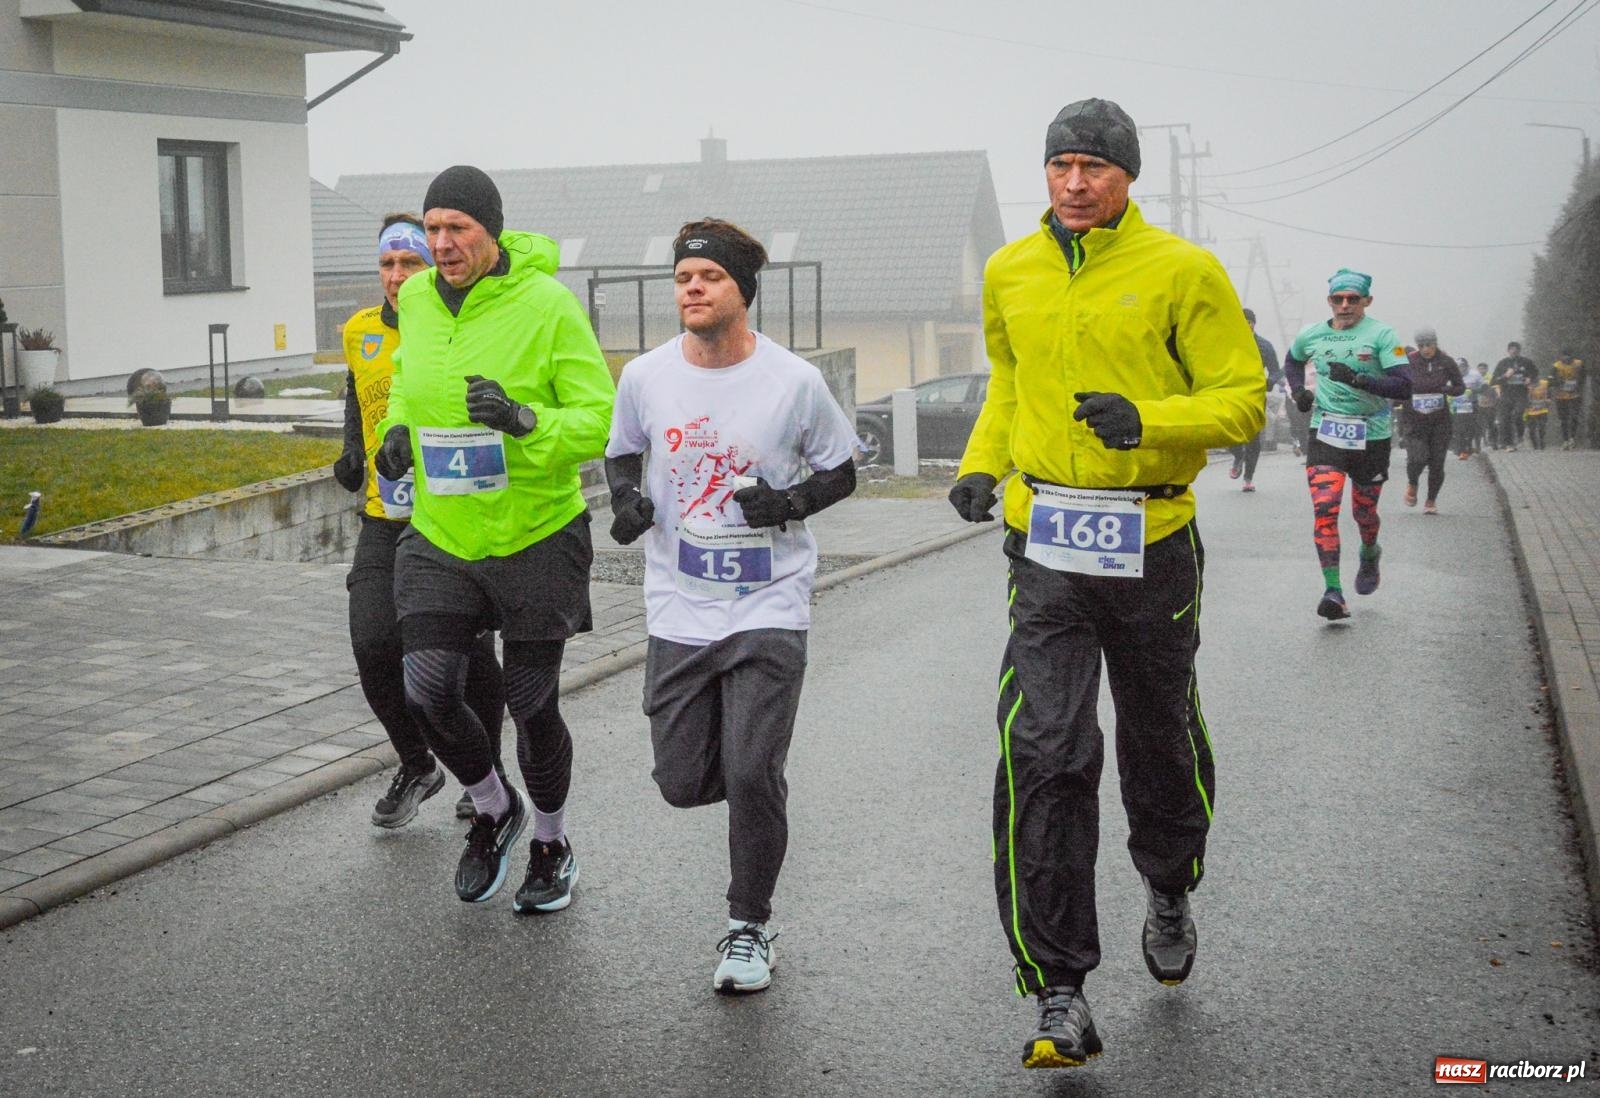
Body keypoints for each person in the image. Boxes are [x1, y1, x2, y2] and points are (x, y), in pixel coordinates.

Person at [946, 98, 1264, 1070]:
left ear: (1127, 177)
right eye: (1059, 165)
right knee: (1045, 747)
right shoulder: (1011, 270)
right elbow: (1008, 384)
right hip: (1043, 544)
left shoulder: (1182, 270)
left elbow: (1243, 403)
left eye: (1093, 166)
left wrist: (1151, 423)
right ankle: (1060, 990)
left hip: (1152, 541)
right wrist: (979, 463)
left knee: (1156, 734)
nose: (1074, 182)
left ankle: (1168, 880)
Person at [605, 218, 858, 994]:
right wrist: (626, 507)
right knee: (681, 780)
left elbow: (843, 471)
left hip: (769, 602)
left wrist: (788, 502)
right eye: (683, 278)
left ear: (742, 291)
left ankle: (749, 924)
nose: (691, 288)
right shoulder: (646, 376)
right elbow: (621, 454)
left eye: (708, 277)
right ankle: (749, 785)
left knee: (752, 771)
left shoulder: (794, 381)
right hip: (679, 603)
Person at [373, 165, 615, 909]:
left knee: (531, 702)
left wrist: (521, 420)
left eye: (458, 230)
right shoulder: (414, 297)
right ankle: (493, 807)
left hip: (536, 530)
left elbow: (600, 418)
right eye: (433, 229)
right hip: (444, 529)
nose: (441, 245)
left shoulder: (547, 304)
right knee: (428, 688)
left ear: (493, 232)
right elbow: (407, 391)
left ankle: (550, 841)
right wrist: (394, 436)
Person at [333, 214, 509, 829]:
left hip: (450, 514)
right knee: (373, 642)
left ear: (432, 264)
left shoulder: (454, 323)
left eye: (410, 263)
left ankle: (485, 772)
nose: (397, 276)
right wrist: (352, 451)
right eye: (387, 264)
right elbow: (358, 393)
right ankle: (417, 762)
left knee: (469, 655)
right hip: (385, 515)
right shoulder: (359, 330)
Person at [1284, 269, 1412, 621]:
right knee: (1325, 506)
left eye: (1352, 299)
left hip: (1372, 435)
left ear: (1366, 301)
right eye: (1337, 299)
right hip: (1326, 431)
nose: (1344, 305)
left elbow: (1404, 386)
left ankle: (1370, 552)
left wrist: (1360, 379)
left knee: (1363, 513)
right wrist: (1298, 392)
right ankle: (1333, 591)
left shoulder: (1383, 335)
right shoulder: (1311, 334)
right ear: (1329, 301)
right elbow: (1292, 361)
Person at [1399, 328, 1463, 515]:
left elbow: (1460, 387)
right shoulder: (1409, 361)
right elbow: (1397, 381)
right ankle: (1412, 482)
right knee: (1417, 458)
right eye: (1421, 346)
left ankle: (1431, 500)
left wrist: (1447, 390)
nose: (1426, 349)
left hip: (1440, 421)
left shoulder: (1446, 362)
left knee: (1437, 462)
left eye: (1429, 345)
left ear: (1436, 343)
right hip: (1414, 419)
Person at [1227, 307, 1282, 491]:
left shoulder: (1265, 346)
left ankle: (1248, 478)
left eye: (1248, 322)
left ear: (1253, 324)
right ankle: (1237, 456)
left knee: (1253, 438)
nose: (1245, 326)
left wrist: (1270, 381)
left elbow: (1276, 370)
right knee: (1229, 432)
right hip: (1232, 394)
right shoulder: (1229, 344)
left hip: (1256, 396)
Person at [1491, 342, 1538, 450]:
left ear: (1519, 351)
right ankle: (1508, 443)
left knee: (1518, 414)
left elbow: (1535, 373)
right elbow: (1493, 381)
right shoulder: (1502, 363)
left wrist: (1529, 378)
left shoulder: (1526, 362)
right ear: (1508, 351)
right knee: (1505, 419)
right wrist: (1505, 376)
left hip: (1520, 393)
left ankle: (1520, 435)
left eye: (1516, 349)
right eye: (1511, 349)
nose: (1514, 351)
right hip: (1506, 394)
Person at [1551, 348, 1585, 449]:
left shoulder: (1579, 364)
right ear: (1560, 356)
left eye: (1569, 355)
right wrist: (1559, 382)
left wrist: (1578, 384)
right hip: (1560, 396)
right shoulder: (1556, 366)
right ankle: (1565, 440)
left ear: (1572, 356)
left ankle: (1572, 438)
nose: (1567, 357)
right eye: (1564, 355)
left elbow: (1584, 376)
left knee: (1574, 416)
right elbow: (1550, 380)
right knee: (1563, 419)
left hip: (1575, 395)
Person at [1451, 358, 1480, 460]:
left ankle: (1468, 445)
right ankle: (1461, 450)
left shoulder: (1475, 375)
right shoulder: (1451, 377)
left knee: (1471, 427)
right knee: (1459, 428)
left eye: (1462, 366)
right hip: (1457, 406)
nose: (1460, 369)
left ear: (1466, 366)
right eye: (1458, 367)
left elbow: (1483, 387)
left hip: (1472, 404)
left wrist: (1473, 390)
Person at [1474, 364, 1499, 450]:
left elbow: (1496, 390)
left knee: (1491, 424)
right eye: (1480, 369)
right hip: (1479, 405)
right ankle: (1477, 444)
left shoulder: (1491, 378)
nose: (1481, 371)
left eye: (1483, 369)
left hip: (1490, 405)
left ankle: (1494, 442)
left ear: (1487, 369)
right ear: (1477, 369)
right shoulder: (1474, 378)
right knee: (1478, 425)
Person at [1525, 374, 1551, 450]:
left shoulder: (1545, 383)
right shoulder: (1526, 385)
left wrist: (1548, 399)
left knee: (1542, 427)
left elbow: (1549, 393)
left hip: (1543, 409)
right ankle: (1535, 445)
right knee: (1532, 429)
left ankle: (1542, 443)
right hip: (1531, 411)